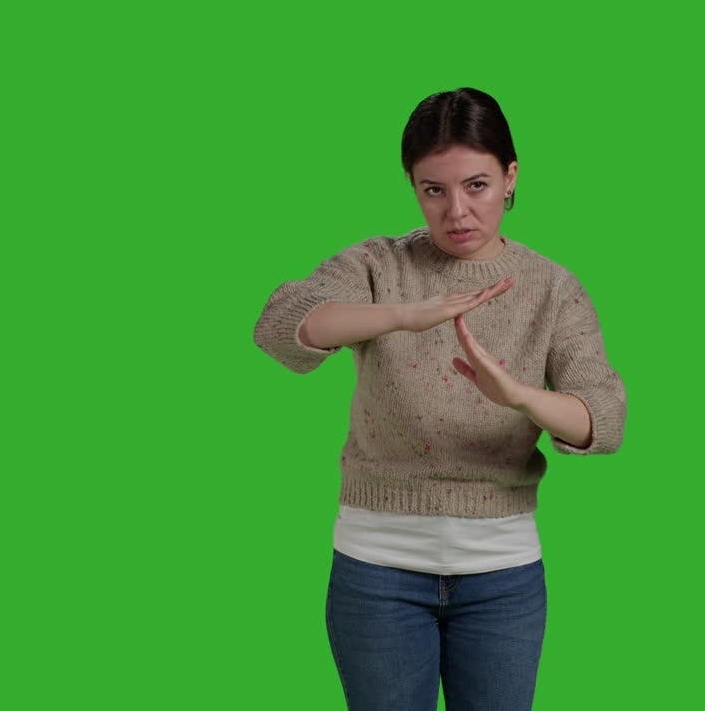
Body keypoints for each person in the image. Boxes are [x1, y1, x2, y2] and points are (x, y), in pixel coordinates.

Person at [253, 87, 626, 711]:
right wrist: (398, 314)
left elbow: (605, 420)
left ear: (510, 177)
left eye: (476, 185)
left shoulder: (554, 289)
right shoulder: (378, 265)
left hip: (502, 575)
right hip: (377, 571)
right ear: (413, 186)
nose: (456, 211)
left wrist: (518, 396)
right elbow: (281, 324)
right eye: (434, 190)